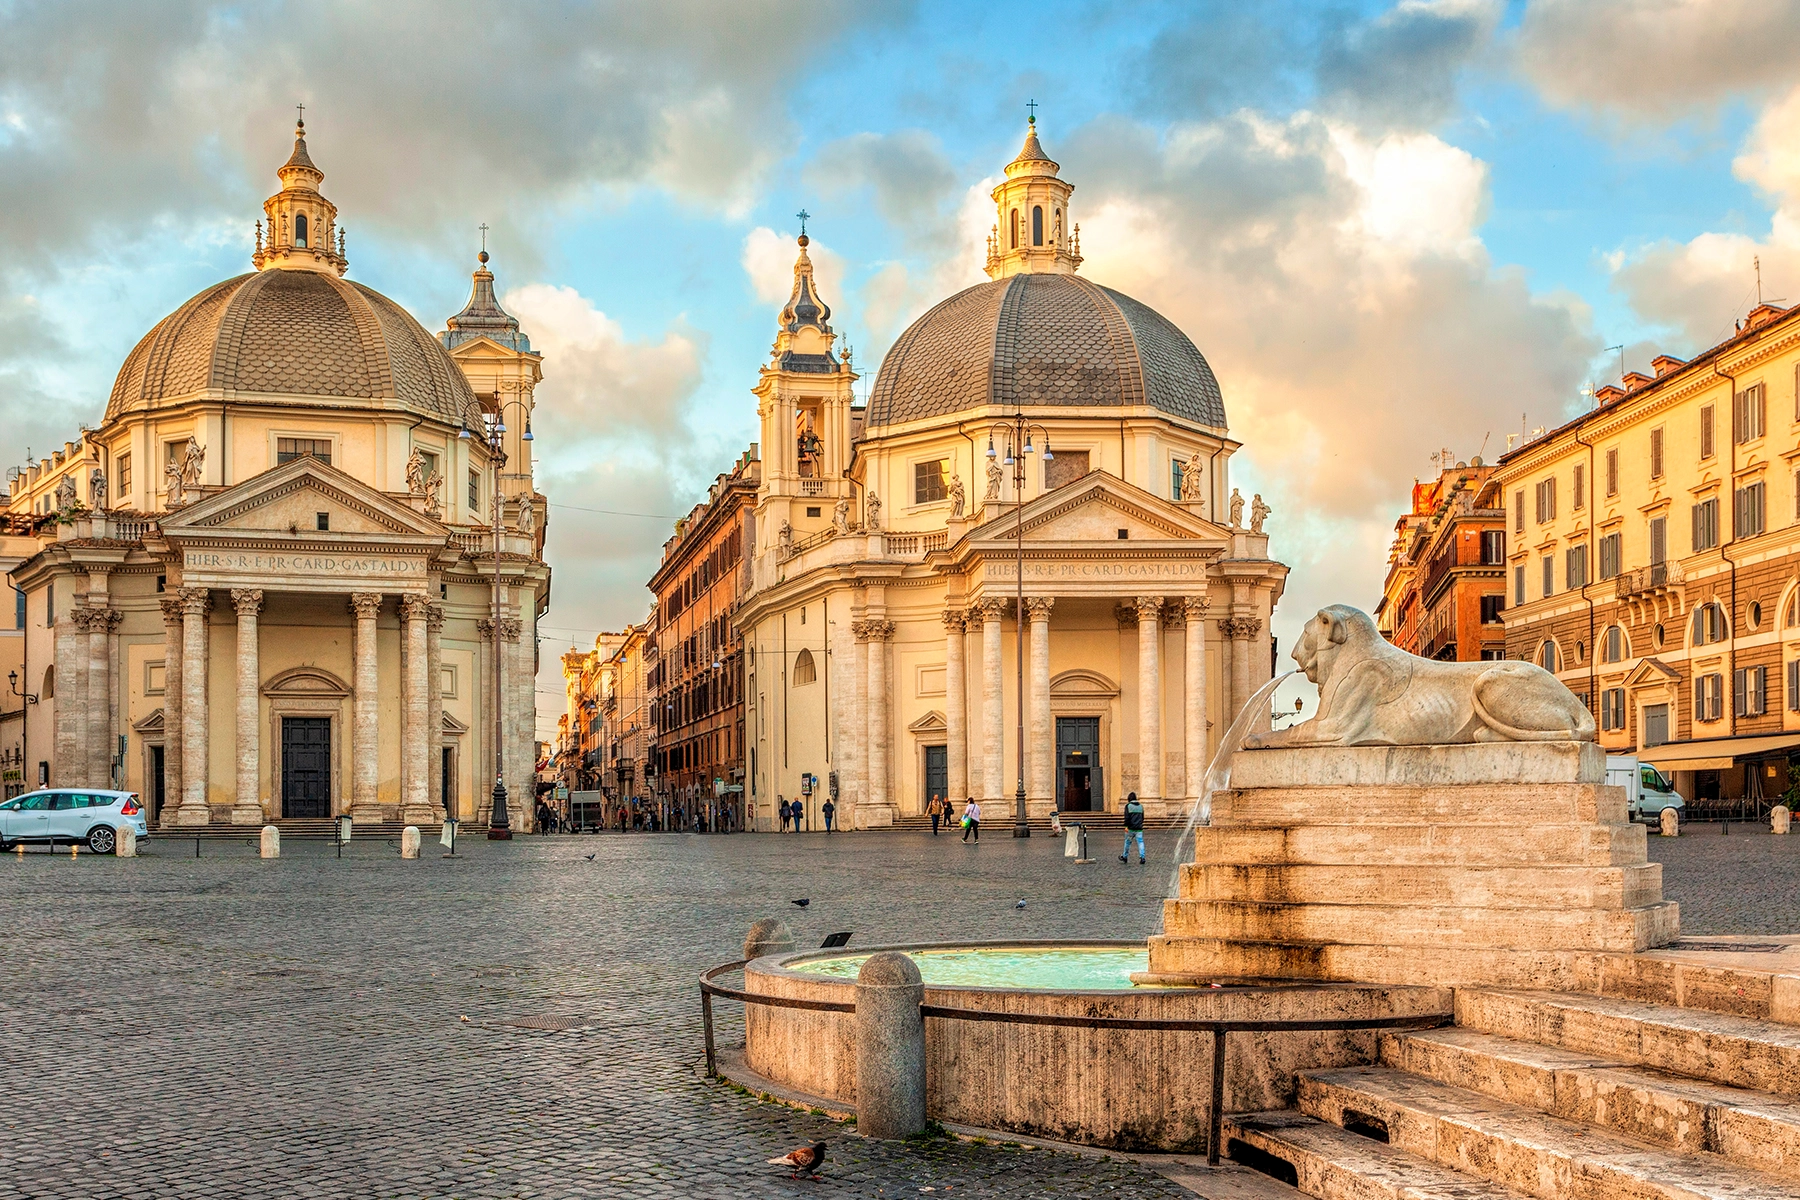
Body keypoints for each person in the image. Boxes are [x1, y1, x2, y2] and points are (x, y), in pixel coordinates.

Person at [1121, 792, 1146, 864]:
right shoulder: (1141, 806)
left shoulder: (1128, 806)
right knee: (1140, 842)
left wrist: (1126, 826)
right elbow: (1142, 817)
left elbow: (1127, 817)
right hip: (1139, 829)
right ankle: (1142, 857)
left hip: (1130, 829)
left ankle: (1125, 856)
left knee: (1127, 842)